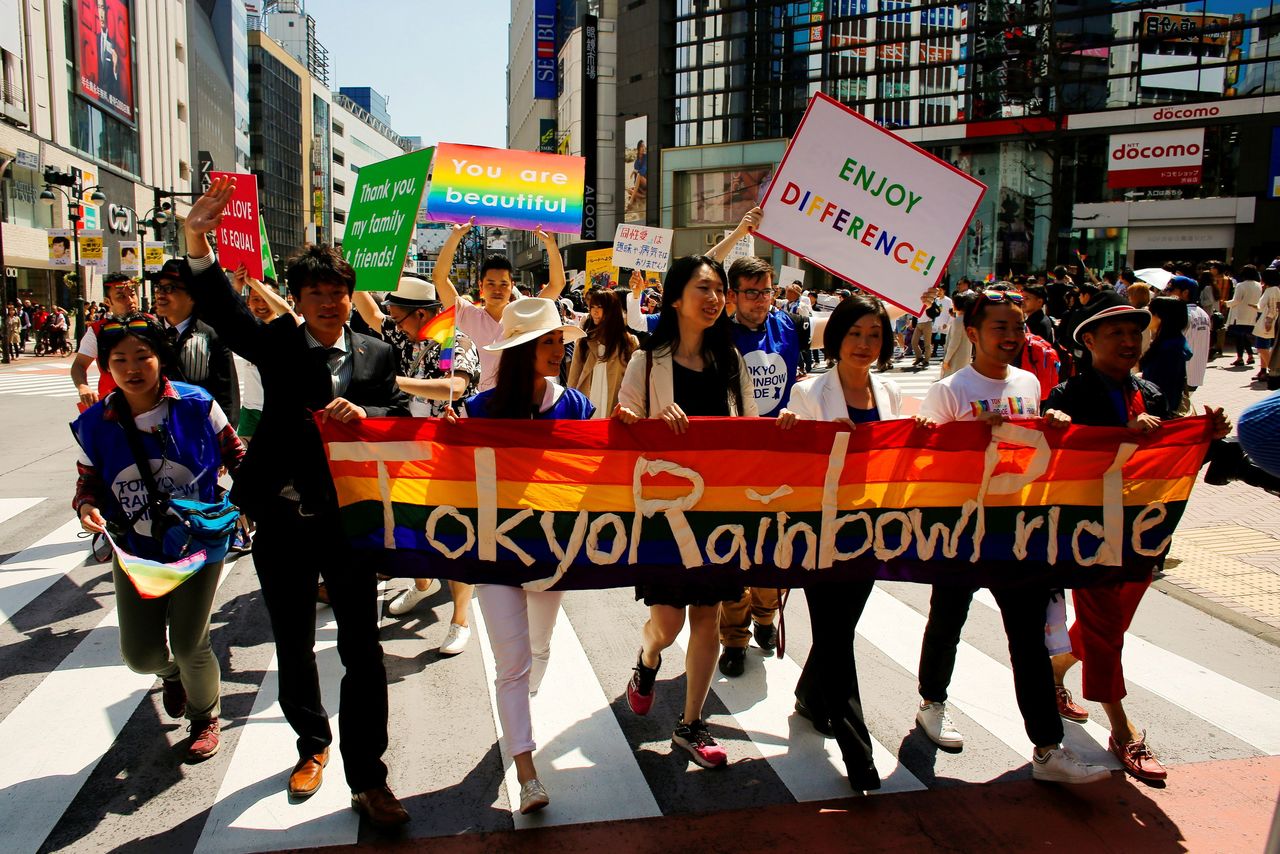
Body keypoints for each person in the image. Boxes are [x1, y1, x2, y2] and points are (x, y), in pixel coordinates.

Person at [180, 176, 413, 828]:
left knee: (363, 651)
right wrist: (197, 239)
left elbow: (394, 416)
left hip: (350, 522)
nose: (332, 305)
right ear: (299, 299)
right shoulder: (278, 342)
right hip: (280, 519)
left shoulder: (375, 352)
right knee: (293, 644)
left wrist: (362, 415)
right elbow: (225, 310)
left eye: (340, 295)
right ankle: (311, 745)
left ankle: (370, 778)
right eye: (318, 295)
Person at [914, 289, 1110, 785]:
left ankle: (1048, 748)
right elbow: (926, 464)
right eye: (1000, 327)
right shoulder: (950, 390)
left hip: (1017, 532)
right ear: (974, 334)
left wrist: (1053, 424)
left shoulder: (1028, 382)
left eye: (1018, 326)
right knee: (947, 620)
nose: (1011, 336)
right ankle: (931, 703)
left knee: (1027, 638)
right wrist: (967, 438)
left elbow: (1034, 451)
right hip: (962, 530)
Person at [1046, 304, 1232, 782]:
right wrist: (1110, 435)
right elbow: (1061, 454)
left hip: (1144, 534)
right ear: (1089, 341)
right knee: (1106, 630)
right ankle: (1123, 731)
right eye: (1117, 334)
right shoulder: (1070, 394)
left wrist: (1208, 436)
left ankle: (1055, 671)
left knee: (1108, 625)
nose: (1130, 341)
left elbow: (1171, 455)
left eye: (1135, 333)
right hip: (1088, 536)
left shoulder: (1150, 392)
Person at [72, 314, 245, 762]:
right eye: (119, 360)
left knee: (191, 643)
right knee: (141, 655)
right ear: (106, 367)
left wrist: (251, 502)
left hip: (199, 543)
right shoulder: (95, 423)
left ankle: (206, 717)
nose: (132, 368)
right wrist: (87, 507)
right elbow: (87, 481)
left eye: (142, 356)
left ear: (159, 358)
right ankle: (172, 675)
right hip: (137, 550)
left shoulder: (197, 404)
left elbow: (236, 454)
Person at [442, 298, 592, 814]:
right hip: (496, 549)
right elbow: (457, 477)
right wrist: (450, 440)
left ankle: (518, 714)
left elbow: (603, 463)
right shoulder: (480, 410)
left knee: (540, 649)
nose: (558, 350)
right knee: (514, 663)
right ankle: (527, 772)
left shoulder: (575, 405)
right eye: (547, 342)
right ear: (522, 349)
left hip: (553, 550)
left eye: (559, 340)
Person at [614, 255, 758, 769]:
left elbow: (750, 433)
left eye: (720, 289)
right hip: (665, 516)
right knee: (667, 625)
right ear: (675, 298)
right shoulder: (646, 362)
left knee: (708, 616)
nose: (715, 297)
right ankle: (646, 660)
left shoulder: (731, 363)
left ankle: (691, 723)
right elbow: (622, 427)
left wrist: (779, 427)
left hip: (717, 512)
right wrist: (642, 421)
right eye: (704, 288)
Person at [775, 294, 906, 792]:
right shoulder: (810, 392)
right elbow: (794, 462)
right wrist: (793, 430)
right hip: (822, 531)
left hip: (872, 529)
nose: (865, 344)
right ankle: (858, 753)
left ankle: (810, 695)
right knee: (837, 634)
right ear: (836, 339)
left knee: (841, 625)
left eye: (874, 335)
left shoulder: (891, 393)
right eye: (855, 334)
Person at [353, 275, 480, 649]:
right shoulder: (404, 335)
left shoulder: (452, 341)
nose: (391, 323)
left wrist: (396, 383)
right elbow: (371, 312)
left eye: (398, 317)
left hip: (451, 454)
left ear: (422, 313)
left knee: (455, 535)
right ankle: (422, 584)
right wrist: (359, 272)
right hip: (406, 454)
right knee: (407, 527)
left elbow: (454, 387)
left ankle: (460, 621)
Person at [434, 217, 566, 391]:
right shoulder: (467, 314)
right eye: (491, 284)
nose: (497, 290)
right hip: (478, 407)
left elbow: (557, 285)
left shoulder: (527, 314)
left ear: (512, 286)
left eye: (503, 284)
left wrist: (550, 244)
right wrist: (455, 236)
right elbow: (439, 278)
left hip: (518, 405)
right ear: (481, 286)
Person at [152, 260, 240, 428]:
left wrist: (223, 438)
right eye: (159, 287)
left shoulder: (212, 335)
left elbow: (227, 394)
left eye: (170, 288)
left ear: (193, 295)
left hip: (199, 431)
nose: (160, 294)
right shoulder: (148, 334)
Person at [70, 273, 144, 408]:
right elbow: (79, 365)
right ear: (108, 301)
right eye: (121, 296)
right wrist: (83, 387)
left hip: (152, 401)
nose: (130, 300)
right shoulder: (97, 331)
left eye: (132, 294)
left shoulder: (152, 324)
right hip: (114, 405)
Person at [566, 286, 637, 418]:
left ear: (611, 310)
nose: (595, 312)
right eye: (592, 307)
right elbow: (574, 375)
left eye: (599, 307)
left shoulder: (628, 342)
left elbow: (634, 379)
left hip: (615, 403)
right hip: (587, 400)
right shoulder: (584, 340)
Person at [1165, 275, 1211, 415]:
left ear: (1185, 293)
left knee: (1175, 413)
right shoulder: (1203, 313)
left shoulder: (1181, 314)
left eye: (1171, 290)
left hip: (1180, 375)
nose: (1167, 293)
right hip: (1196, 373)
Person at [1140, 296, 1190, 409]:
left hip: (1159, 410)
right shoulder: (1171, 341)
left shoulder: (1169, 348)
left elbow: (1161, 385)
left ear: (1159, 317)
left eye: (1149, 312)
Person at [1226, 265, 1260, 367]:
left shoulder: (1241, 285)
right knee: (1245, 336)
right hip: (1251, 315)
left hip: (1239, 315)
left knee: (1239, 337)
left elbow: (1236, 300)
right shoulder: (1258, 285)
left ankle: (1240, 358)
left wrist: (1226, 303)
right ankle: (1250, 355)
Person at [940, 291, 977, 378]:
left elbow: (954, 342)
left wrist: (946, 360)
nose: (952, 305)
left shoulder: (959, 321)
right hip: (964, 357)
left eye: (953, 303)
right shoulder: (967, 320)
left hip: (956, 358)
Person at [1252, 268, 1280, 382]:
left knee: (1262, 347)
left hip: (1267, 320)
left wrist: (1269, 321)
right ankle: (1263, 371)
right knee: (1264, 346)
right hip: (1267, 319)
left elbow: (1273, 307)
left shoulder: (1272, 290)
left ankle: (1273, 370)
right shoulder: (1272, 289)